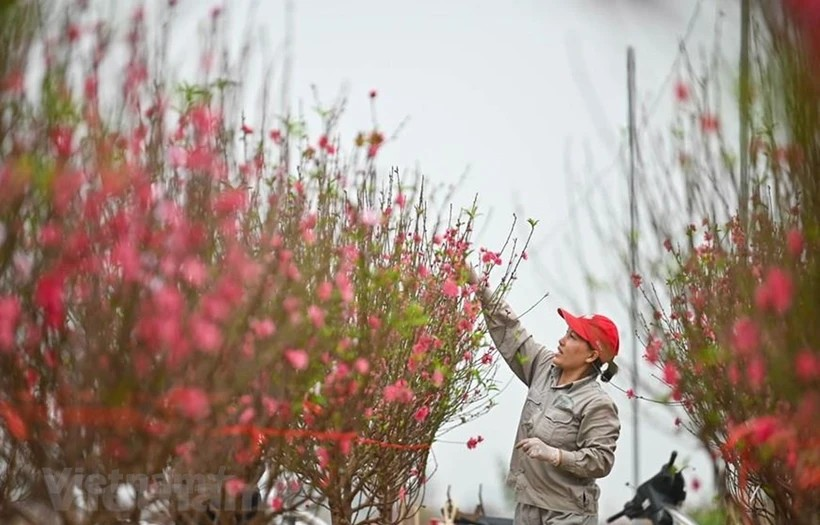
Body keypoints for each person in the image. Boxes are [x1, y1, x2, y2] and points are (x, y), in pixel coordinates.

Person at [471, 269, 621, 525]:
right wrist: (478, 286)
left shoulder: (598, 404)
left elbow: (601, 460)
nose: (561, 341)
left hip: (567, 514)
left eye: (573, 337)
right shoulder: (543, 366)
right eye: (566, 333)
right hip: (529, 506)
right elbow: (511, 332)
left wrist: (556, 455)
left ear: (591, 356)